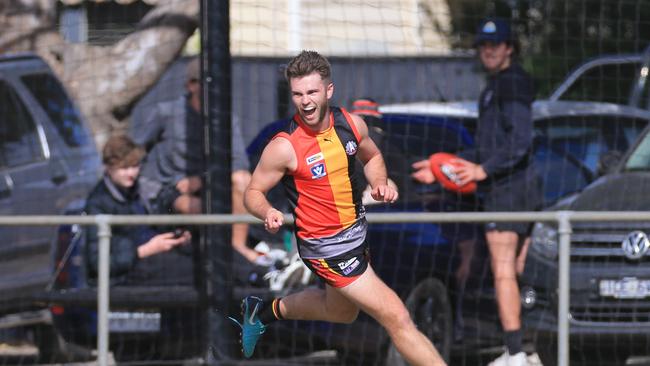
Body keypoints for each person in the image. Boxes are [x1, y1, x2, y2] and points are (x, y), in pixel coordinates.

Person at [232, 50, 446, 366]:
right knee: (397, 316)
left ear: (328, 91)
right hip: (325, 247)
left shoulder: (350, 123)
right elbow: (253, 192)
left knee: (342, 312)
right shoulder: (284, 146)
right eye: (297, 94)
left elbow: (372, 157)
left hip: (356, 236)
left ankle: (264, 311)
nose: (305, 101)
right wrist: (267, 211)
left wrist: (380, 182)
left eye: (312, 92)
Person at [412, 18, 541, 366]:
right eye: (483, 45)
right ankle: (524, 350)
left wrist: (483, 171)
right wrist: (441, 167)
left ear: (509, 48)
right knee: (514, 272)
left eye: (495, 44)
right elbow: (487, 149)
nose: (488, 50)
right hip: (515, 189)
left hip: (509, 192)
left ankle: (515, 353)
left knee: (502, 272)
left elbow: (520, 141)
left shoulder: (511, 84)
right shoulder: (497, 85)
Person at [132, 58, 266, 266]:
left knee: (242, 180)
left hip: (211, 186)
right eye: (204, 83)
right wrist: (145, 187)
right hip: (171, 191)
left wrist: (203, 180)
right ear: (191, 85)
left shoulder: (226, 118)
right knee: (199, 207)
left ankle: (237, 248)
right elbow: (136, 151)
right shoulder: (165, 113)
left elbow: (239, 162)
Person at [84, 134, 192, 285]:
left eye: (135, 166)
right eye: (124, 168)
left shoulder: (141, 190)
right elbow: (97, 262)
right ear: (108, 168)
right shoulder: (98, 202)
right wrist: (144, 250)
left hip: (155, 261)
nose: (131, 173)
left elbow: (161, 212)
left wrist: (176, 235)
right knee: (192, 273)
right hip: (127, 275)